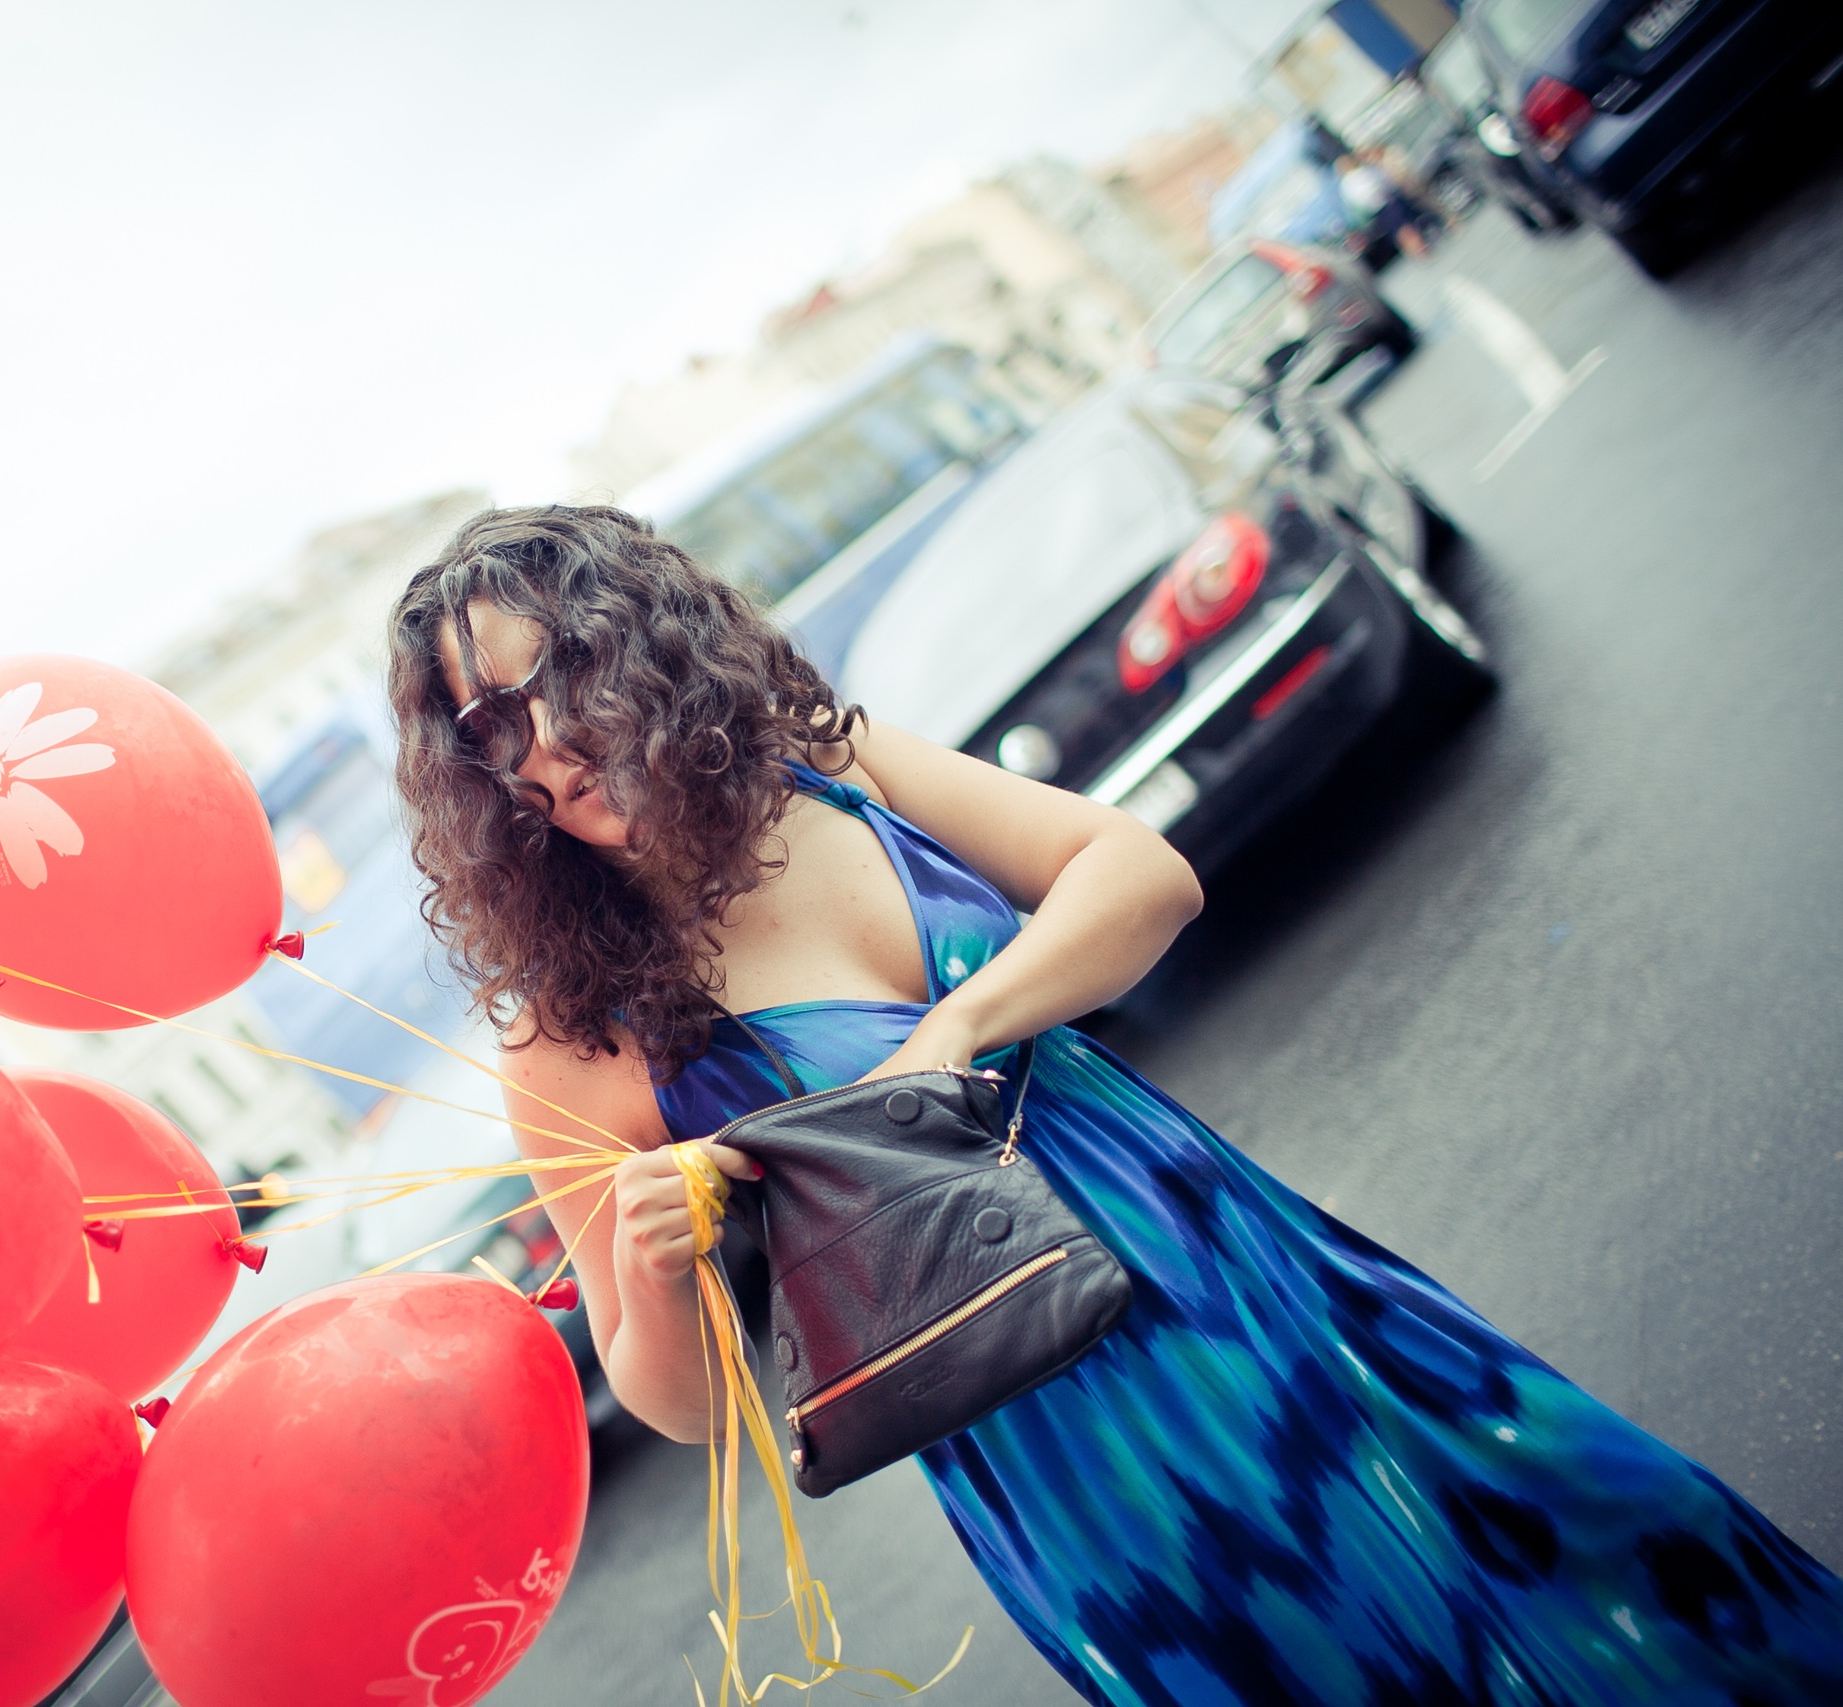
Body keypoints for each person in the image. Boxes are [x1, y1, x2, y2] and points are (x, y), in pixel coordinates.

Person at [384, 504, 1843, 1705]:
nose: (543, 745)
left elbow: (1143, 877)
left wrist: (956, 1029)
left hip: (1224, 1252)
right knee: (1333, 1656)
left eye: (554, 680)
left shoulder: (825, 774)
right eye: (490, 728)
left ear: (639, 644)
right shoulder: (568, 1038)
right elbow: (688, 1406)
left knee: (1558, 1518)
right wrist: (654, 1270)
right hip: (1059, 1425)